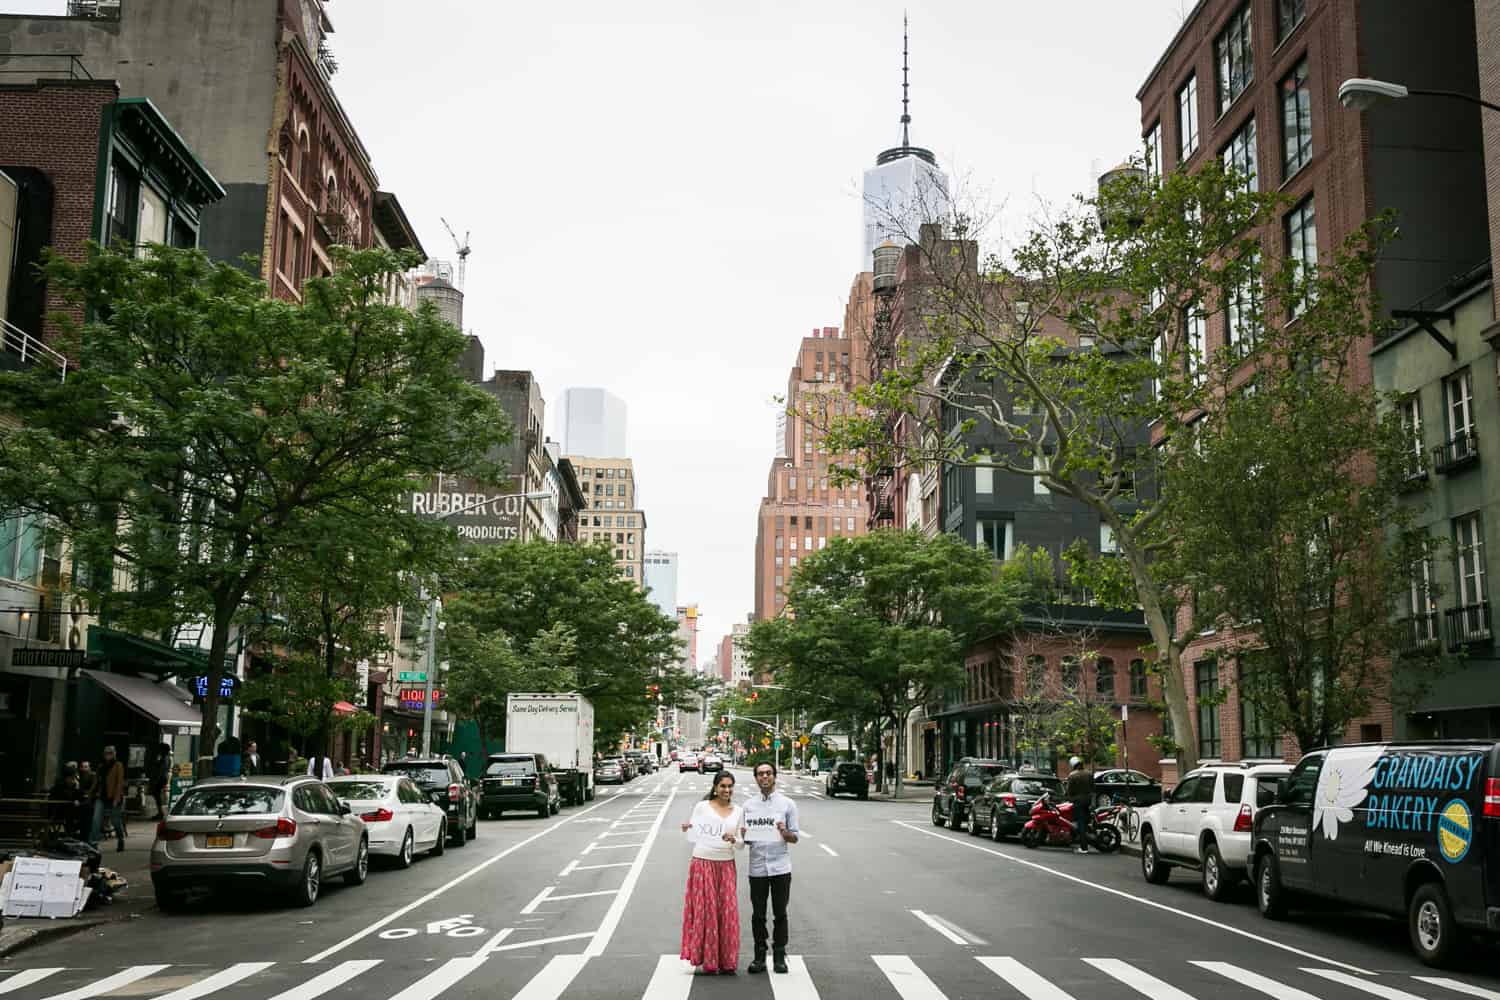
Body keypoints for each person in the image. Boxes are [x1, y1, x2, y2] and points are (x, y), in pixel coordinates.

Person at [678, 771, 742, 975]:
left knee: (727, 912)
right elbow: (693, 832)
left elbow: (742, 844)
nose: (727, 790)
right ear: (715, 787)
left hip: (726, 865)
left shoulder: (739, 811)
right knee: (705, 912)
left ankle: (727, 960)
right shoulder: (702, 807)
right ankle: (705, 958)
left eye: (730, 786)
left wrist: (734, 840)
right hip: (702, 863)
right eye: (723, 786)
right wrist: (688, 828)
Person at [743, 761, 798, 975]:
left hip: (780, 868)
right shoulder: (749, 806)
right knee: (758, 914)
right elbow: (746, 840)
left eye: (768, 773)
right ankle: (759, 954)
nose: (764, 777)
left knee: (780, 913)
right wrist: (744, 835)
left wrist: (785, 832)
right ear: (756, 778)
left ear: (774, 776)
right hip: (757, 868)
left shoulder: (787, 805)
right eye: (760, 774)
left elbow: (795, 838)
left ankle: (779, 954)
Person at [90, 746, 126, 851]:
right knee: (96, 820)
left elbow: (119, 783)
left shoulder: (118, 765)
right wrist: (90, 793)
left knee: (115, 821)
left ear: (114, 754)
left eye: (110, 753)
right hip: (102, 796)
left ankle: (120, 839)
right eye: (106, 753)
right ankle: (93, 844)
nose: (108, 755)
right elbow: (96, 781)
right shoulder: (101, 766)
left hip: (114, 797)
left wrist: (116, 799)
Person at [1065, 756, 1094, 855]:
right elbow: (1092, 787)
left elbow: (1069, 790)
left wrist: (1069, 797)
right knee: (1086, 821)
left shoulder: (1072, 775)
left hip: (1078, 801)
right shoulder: (1089, 774)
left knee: (1080, 824)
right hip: (1088, 800)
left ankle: (1084, 847)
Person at [150, 743, 172, 820]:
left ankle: (161, 813)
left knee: (158, 796)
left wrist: (156, 780)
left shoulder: (164, 758)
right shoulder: (167, 758)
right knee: (158, 796)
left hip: (160, 779)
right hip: (163, 779)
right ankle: (160, 812)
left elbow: (161, 770)